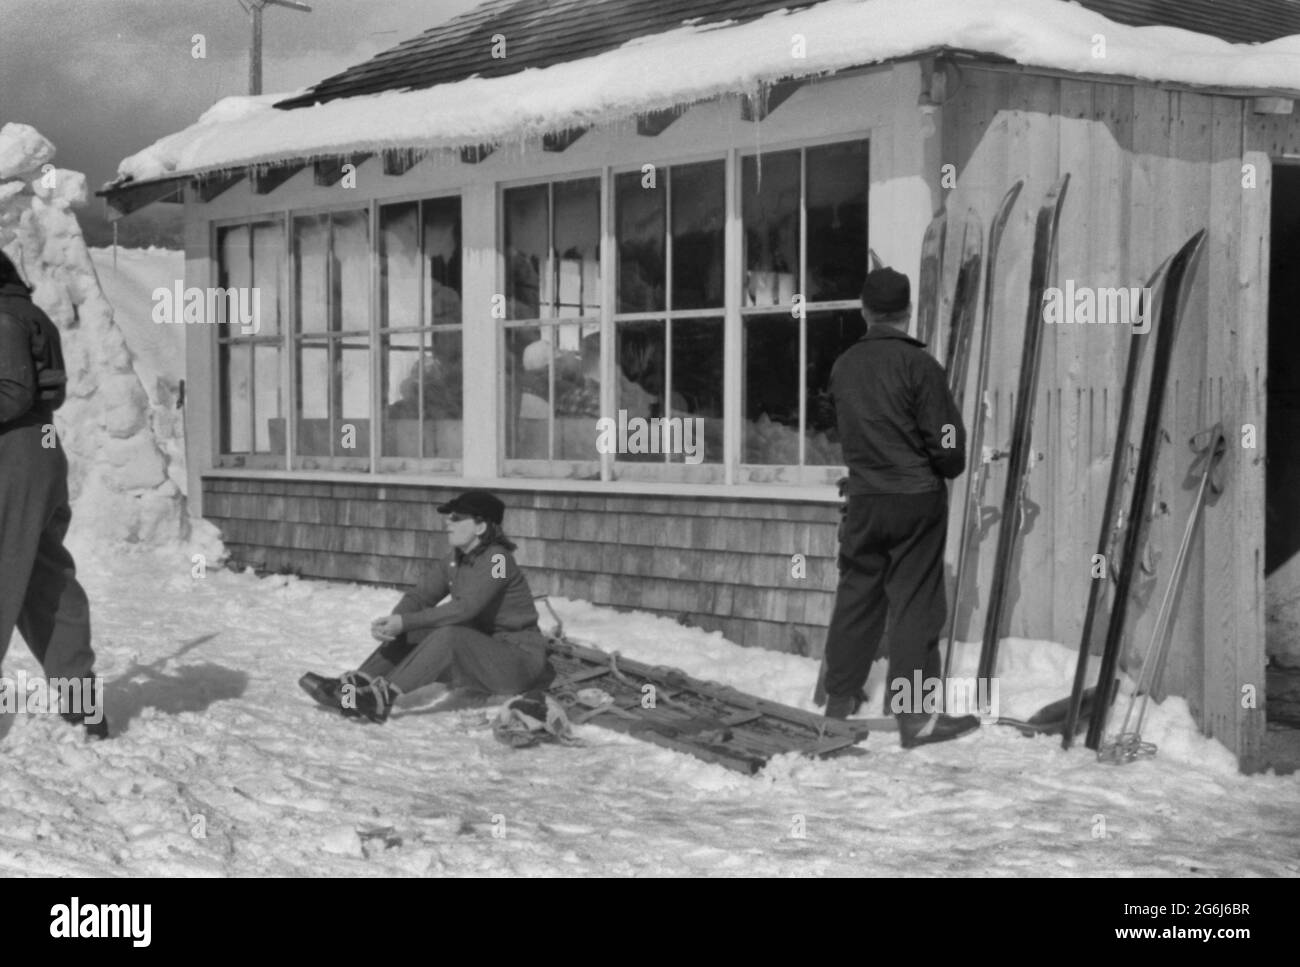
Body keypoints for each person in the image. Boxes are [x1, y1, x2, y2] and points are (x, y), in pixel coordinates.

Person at [821, 266, 979, 748]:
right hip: (915, 502)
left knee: (856, 597)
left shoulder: (842, 366)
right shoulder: (921, 367)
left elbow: (842, 429)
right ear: (908, 313)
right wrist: (948, 459)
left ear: (865, 311)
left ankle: (838, 705)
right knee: (915, 605)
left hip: (865, 500)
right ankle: (914, 720)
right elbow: (947, 442)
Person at [299, 490, 555, 723]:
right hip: (484, 650)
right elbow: (420, 597)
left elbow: (466, 608)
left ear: (480, 526)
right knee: (414, 628)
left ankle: (377, 700)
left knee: (449, 634)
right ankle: (352, 689)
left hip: (517, 660)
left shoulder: (499, 560)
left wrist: (406, 622)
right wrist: (396, 622)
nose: (448, 522)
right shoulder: (455, 560)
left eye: (456, 518)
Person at [0, 251, 106, 739]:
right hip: (39, 447)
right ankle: (81, 699)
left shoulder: (3, 316)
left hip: (13, 452)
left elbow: (11, 391)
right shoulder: (29, 313)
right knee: (46, 580)